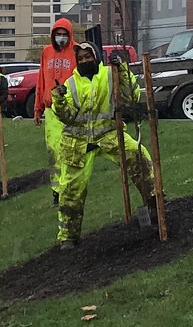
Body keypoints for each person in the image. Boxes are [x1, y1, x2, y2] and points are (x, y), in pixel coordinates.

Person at [50, 43, 156, 246]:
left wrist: (122, 70)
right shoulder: (71, 84)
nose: (84, 61)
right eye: (80, 59)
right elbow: (68, 118)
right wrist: (60, 100)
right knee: (71, 190)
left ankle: (154, 202)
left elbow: (132, 96)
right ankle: (68, 238)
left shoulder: (110, 74)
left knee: (137, 154)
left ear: (96, 56)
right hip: (77, 143)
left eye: (88, 57)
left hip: (109, 134)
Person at [33, 17, 79, 150]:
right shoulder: (46, 52)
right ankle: (56, 171)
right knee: (53, 149)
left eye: (64, 34)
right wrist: (38, 109)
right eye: (58, 34)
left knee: (69, 149)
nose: (61, 37)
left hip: (69, 108)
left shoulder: (76, 51)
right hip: (50, 109)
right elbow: (41, 80)